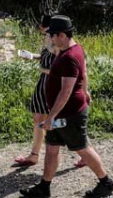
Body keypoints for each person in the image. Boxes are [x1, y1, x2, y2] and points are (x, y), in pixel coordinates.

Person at [20, 15, 113, 198]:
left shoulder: (70, 57)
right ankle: (44, 187)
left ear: (62, 35)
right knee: (52, 148)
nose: (51, 38)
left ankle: (106, 183)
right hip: (59, 114)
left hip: (69, 115)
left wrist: (51, 116)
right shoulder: (68, 50)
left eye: (53, 35)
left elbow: (66, 91)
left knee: (82, 148)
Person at [14, 15, 88, 169]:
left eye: (43, 29)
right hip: (44, 86)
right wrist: (32, 56)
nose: (41, 31)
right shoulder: (52, 39)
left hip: (52, 86)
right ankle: (34, 155)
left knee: (64, 124)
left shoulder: (58, 42)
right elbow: (45, 57)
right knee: (40, 119)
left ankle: (85, 153)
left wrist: (42, 69)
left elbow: (63, 69)